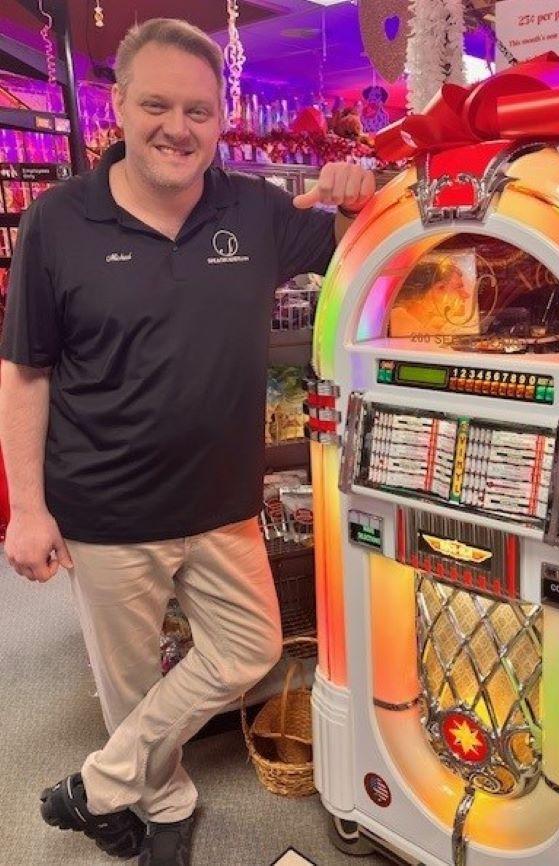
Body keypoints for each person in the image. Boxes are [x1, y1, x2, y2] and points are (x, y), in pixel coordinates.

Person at [0, 18, 375, 866]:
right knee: (131, 685)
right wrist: (26, 509)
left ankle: (98, 786)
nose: (178, 127)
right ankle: (163, 803)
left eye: (199, 111)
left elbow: (366, 240)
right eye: (157, 106)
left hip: (222, 502)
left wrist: (362, 189)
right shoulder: (58, 220)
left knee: (252, 647)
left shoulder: (257, 210)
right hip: (105, 508)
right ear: (120, 107)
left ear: (221, 117)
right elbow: (24, 373)